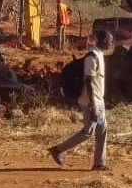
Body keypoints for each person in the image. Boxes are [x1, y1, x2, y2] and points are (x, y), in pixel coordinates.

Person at [48, 29, 112, 171]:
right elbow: (88, 82)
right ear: (103, 40)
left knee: (102, 129)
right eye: (109, 40)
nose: (111, 43)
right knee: (88, 132)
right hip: (90, 102)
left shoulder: (100, 55)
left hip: (98, 101)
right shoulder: (92, 58)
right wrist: (94, 106)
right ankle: (57, 150)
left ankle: (99, 163)